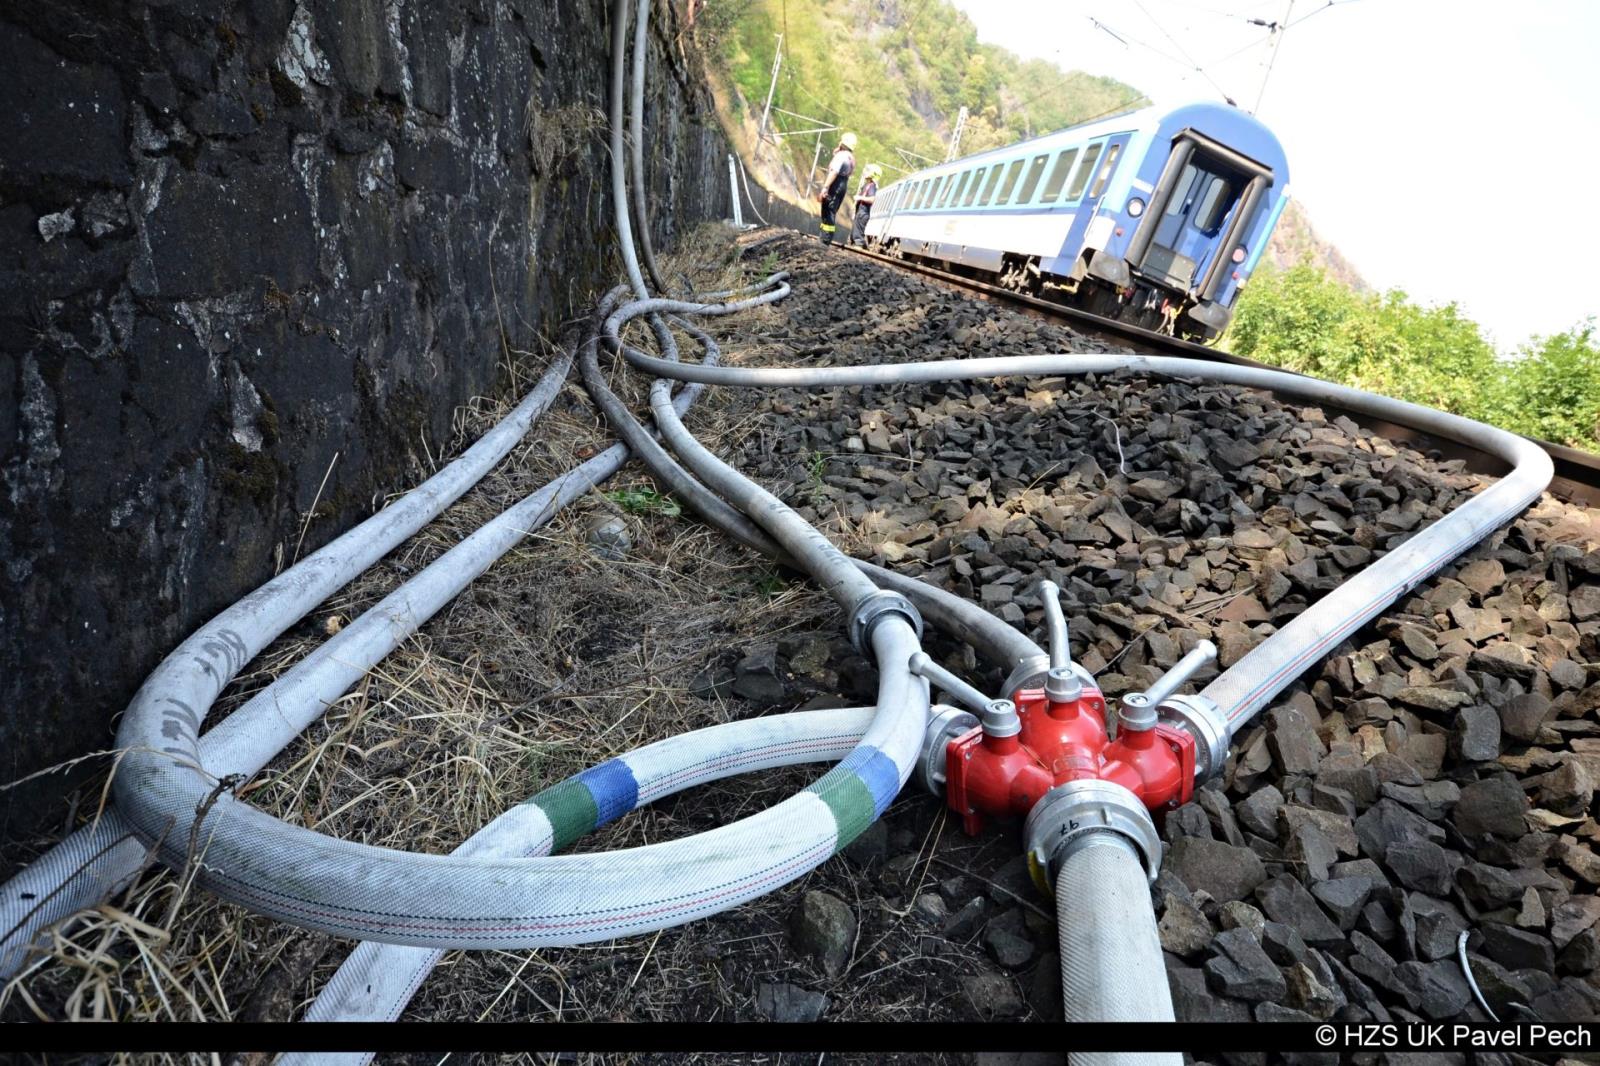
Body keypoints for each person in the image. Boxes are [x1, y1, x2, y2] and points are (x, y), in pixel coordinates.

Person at [816, 132, 856, 246]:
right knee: (831, 211)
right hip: (842, 185)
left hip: (835, 184)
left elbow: (834, 172)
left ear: (843, 143)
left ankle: (824, 240)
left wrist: (825, 187)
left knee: (828, 212)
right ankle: (824, 238)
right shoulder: (850, 158)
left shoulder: (842, 155)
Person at [851, 163, 881, 246]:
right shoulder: (866, 185)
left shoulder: (872, 186)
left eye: (868, 171)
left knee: (858, 238)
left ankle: (859, 249)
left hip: (863, 213)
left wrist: (859, 198)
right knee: (853, 236)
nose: (866, 172)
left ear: (873, 174)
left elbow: (871, 199)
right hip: (860, 212)